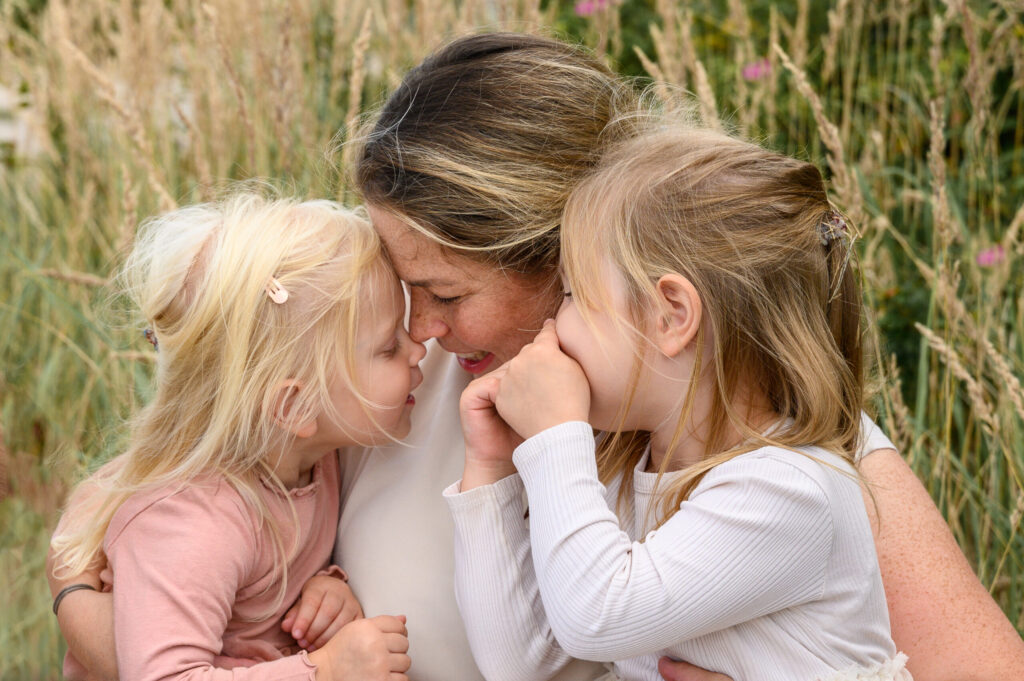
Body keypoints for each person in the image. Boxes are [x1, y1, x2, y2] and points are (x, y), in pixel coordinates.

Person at [50, 33, 1024, 681]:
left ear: (575, 264)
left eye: (444, 296)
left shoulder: (741, 432)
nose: (418, 331)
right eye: (398, 292)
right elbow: (116, 580)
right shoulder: (375, 367)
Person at [449, 124, 912, 680]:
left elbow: (594, 619)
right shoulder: (633, 471)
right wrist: (492, 467)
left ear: (671, 315)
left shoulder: (789, 490)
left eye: (573, 295)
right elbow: (521, 663)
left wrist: (554, 438)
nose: (551, 324)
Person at [49, 193, 422, 681]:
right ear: (293, 406)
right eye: (389, 345)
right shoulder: (196, 519)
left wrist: (325, 587)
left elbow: (257, 591)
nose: (418, 350)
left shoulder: (312, 458)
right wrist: (323, 670)